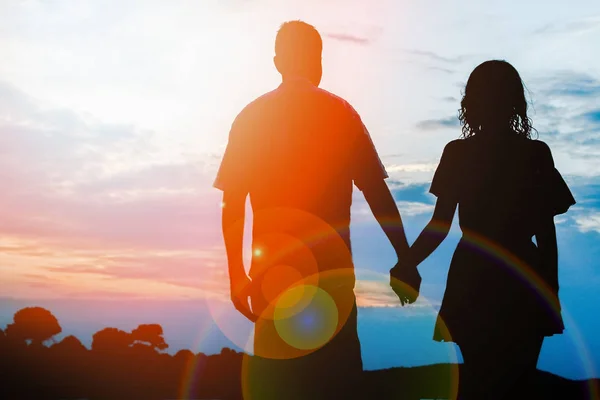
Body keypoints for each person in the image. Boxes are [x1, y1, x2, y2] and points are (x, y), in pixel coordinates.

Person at [215, 20, 410, 399]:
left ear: (277, 62)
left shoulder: (250, 118)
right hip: (332, 280)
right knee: (337, 384)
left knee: (279, 385)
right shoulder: (341, 114)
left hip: (273, 278)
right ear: (318, 61)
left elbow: (232, 202)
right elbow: (377, 193)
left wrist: (237, 274)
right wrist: (404, 258)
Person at [391, 60, 576, 399]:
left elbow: (440, 225)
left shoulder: (459, 153)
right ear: (515, 101)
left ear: (470, 102)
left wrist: (407, 263)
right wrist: (551, 291)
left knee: (477, 384)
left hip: (472, 277)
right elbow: (546, 236)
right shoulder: (534, 153)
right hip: (522, 278)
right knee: (518, 385)